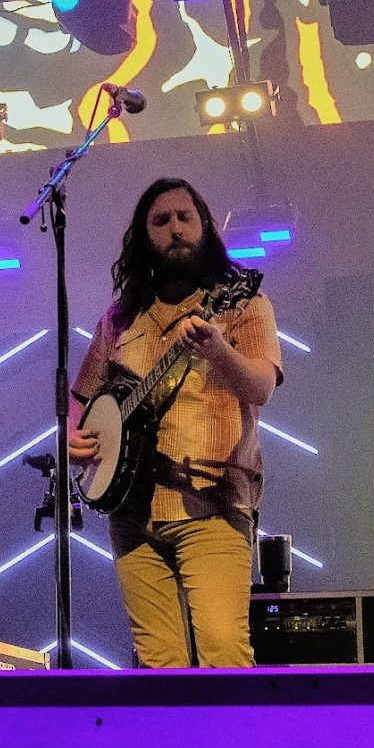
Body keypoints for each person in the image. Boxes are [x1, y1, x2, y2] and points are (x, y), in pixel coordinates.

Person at [66, 177, 281, 669]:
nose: (175, 229)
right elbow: (80, 396)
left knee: (224, 653)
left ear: (204, 226)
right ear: (144, 237)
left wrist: (217, 348)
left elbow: (262, 387)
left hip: (213, 502)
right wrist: (74, 435)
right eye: (160, 221)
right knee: (159, 665)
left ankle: (236, 747)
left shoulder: (243, 303)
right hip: (132, 512)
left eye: (185, 217)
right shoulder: (118, 319)